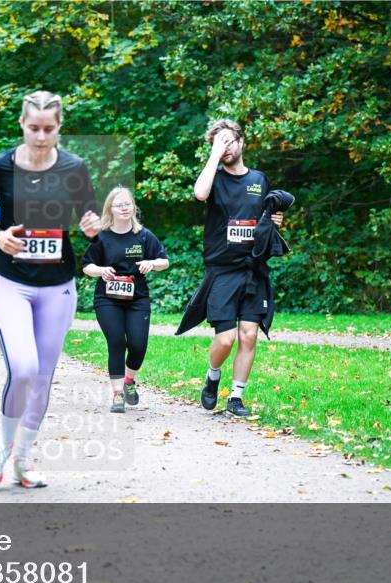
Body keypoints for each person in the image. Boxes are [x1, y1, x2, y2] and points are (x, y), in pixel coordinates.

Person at [0, 90, 100, 488]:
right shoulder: (0, 167)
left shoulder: (74, 167)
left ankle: (22, 461)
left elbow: (89, 213)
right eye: (33, 128)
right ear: (22, 125)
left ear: (59, 127)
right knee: (23, 368)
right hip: (10, 282)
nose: (41, 136)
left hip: (57, 287)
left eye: (48, 128)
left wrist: (92, 226)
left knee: (42, 377)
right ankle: (2, 447)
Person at [175, 119, 285, 417]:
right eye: (217, 143)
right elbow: (200, 193)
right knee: (226, 338)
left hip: (254, 268)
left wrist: (275, 222)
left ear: (241, 141)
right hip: (222, 269)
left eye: (227, 140)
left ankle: (236, 398)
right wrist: (214, 156)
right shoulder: (214, 178)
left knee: (249, 335)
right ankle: (213, 375)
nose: (224, 147)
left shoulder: (259, 179)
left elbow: (266, 218)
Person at [82, 187, 169, 413]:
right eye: (118, 205)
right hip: (107, 298)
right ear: (110, 209)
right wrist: (101, 270)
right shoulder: (101, 236)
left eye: (127, 204)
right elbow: (87, 266)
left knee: (138, 345)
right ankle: (118, 394)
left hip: (137, 298)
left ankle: (129, 380)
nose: (124, 208)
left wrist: (152, 263)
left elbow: (164, 261)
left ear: (133, 207)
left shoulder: (143, 235)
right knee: (117, 342)